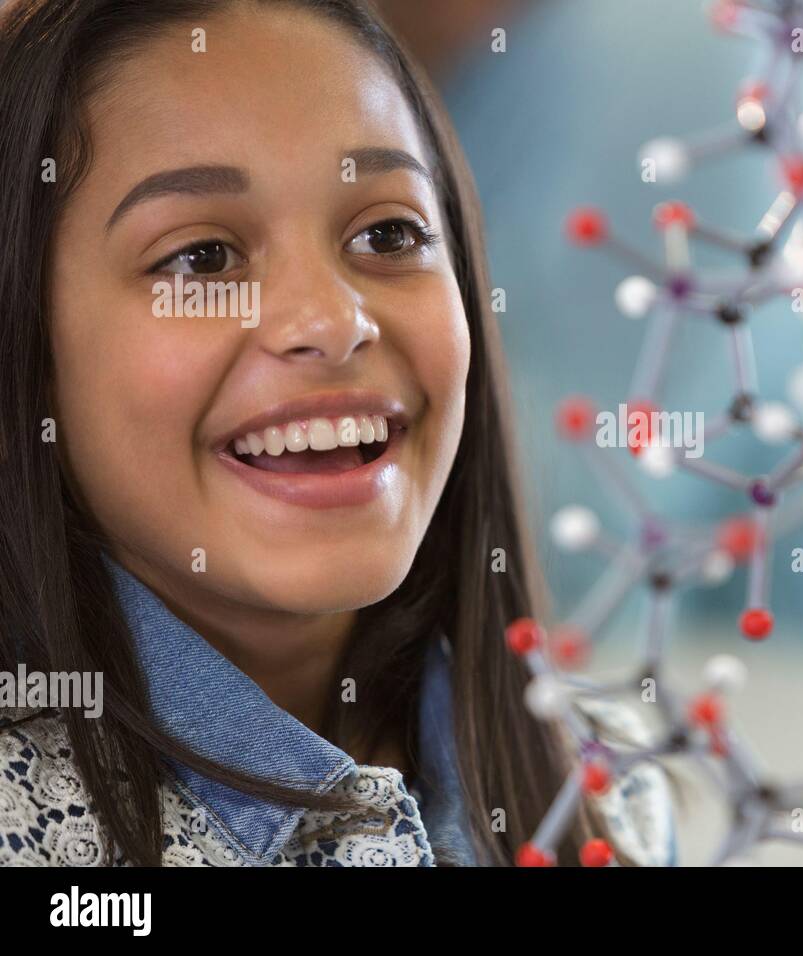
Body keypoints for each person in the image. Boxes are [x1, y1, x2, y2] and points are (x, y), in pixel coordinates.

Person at [0, 0, 674, 867]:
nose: (332, 319)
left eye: (388, 234)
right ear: (29, 347)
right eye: (202, 258)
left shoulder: (608, 783)